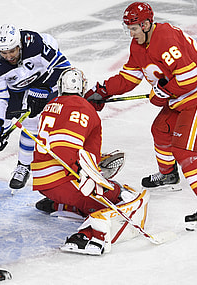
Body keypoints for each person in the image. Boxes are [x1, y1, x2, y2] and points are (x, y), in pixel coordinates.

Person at [84, 2, 197, 231]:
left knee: (184, 150)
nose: (131, 33)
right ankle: (168, 175)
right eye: (128, 28)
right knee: (160, 129)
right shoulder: (138, 46)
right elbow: (128, 78)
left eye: (134, 28)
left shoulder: (165, 37)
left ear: (147, 24)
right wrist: (104, 91)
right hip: (182, 98)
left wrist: (163, 91)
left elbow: (189, 77)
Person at [31, 67, 149, 255]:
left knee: (97, 188)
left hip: (41, 182)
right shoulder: (83, 109)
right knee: (119, 196)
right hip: (63, 180)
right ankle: (86, 235)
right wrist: (85, 172)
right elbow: (65, 148)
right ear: (83, 87)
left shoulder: (51, 104)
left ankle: (59, 204)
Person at [0, 23, 71, 190]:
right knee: (3, 118)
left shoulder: (35, 44)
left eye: (12, 51)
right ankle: (1, 135)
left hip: (44, 82)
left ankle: (24, 166)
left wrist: (43, 88)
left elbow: (63, 67)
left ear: (19, 45)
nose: (9, 56)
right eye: (4, 52)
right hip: (17, 88)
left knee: (31, 122)